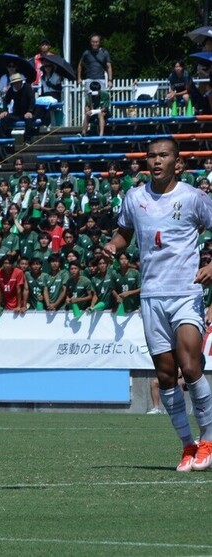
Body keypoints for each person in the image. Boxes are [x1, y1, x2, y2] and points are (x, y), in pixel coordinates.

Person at [104, 137, 212, 472]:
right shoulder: (134, 198)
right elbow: (125, 233)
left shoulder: (194, 198)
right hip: (151, 295)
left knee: (190, 365)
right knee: (166, 376)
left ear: (177, 163)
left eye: (164, 155)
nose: (156, 161)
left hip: (185, 293)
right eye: (151, 156)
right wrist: (113, 246)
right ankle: (187, 445)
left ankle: (208, 439)